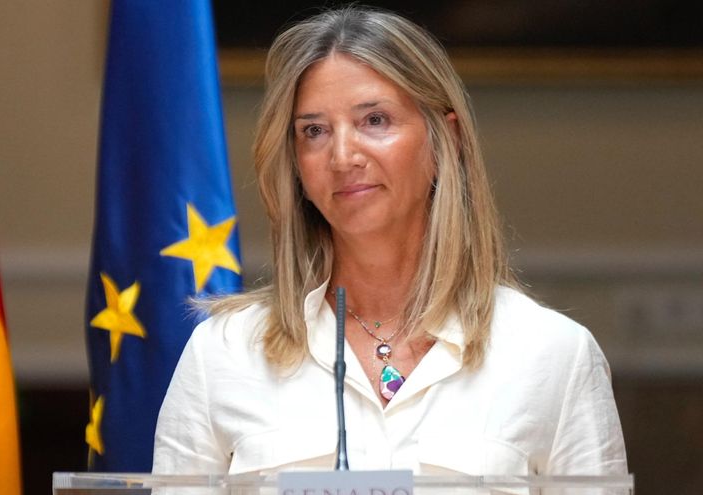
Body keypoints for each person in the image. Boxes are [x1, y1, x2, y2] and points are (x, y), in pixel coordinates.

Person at [153, 6, 627, 477]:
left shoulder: (552, 355)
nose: (342, 156)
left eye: (374, 120)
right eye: (314, 131)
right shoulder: (224, 352)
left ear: (447, 140)